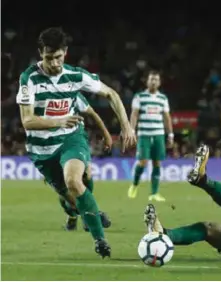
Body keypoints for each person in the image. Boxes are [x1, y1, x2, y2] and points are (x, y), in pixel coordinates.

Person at [16, 27, 136, 258]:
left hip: (71, 138)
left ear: (65, 53)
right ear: (41, 54)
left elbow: (111, 94)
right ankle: (91, 211)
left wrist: (126, 126)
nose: (55, 64)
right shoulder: (29, 78)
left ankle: (100, 241)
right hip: (42, 150)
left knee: (74, 180)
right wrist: (59, 119)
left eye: (59, 57)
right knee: (72, 199)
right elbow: (28, 120)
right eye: (49, 58)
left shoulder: (75, 75)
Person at [59, 93, 112, 232]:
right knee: (63, 190)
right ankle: (74, 215)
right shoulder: (44, 95)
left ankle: (87, 215)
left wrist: (106, 135)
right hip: (54, 144)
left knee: (86, 175)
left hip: (76, 140)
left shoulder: (74, 94)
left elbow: (93, 114)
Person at [127, 71, 174, 202]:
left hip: (159, 134)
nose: (153, 82)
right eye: (151, 79)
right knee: (143, 162)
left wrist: (170, 134)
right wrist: (131, 130)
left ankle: (154, 193)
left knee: (157, 162)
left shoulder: (163, 98)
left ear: (159, 83)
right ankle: (134, 185)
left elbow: (166, 117)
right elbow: (134, 114)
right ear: (147, 81)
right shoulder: (139, 97)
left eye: (156, 80)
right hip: (144, 135)